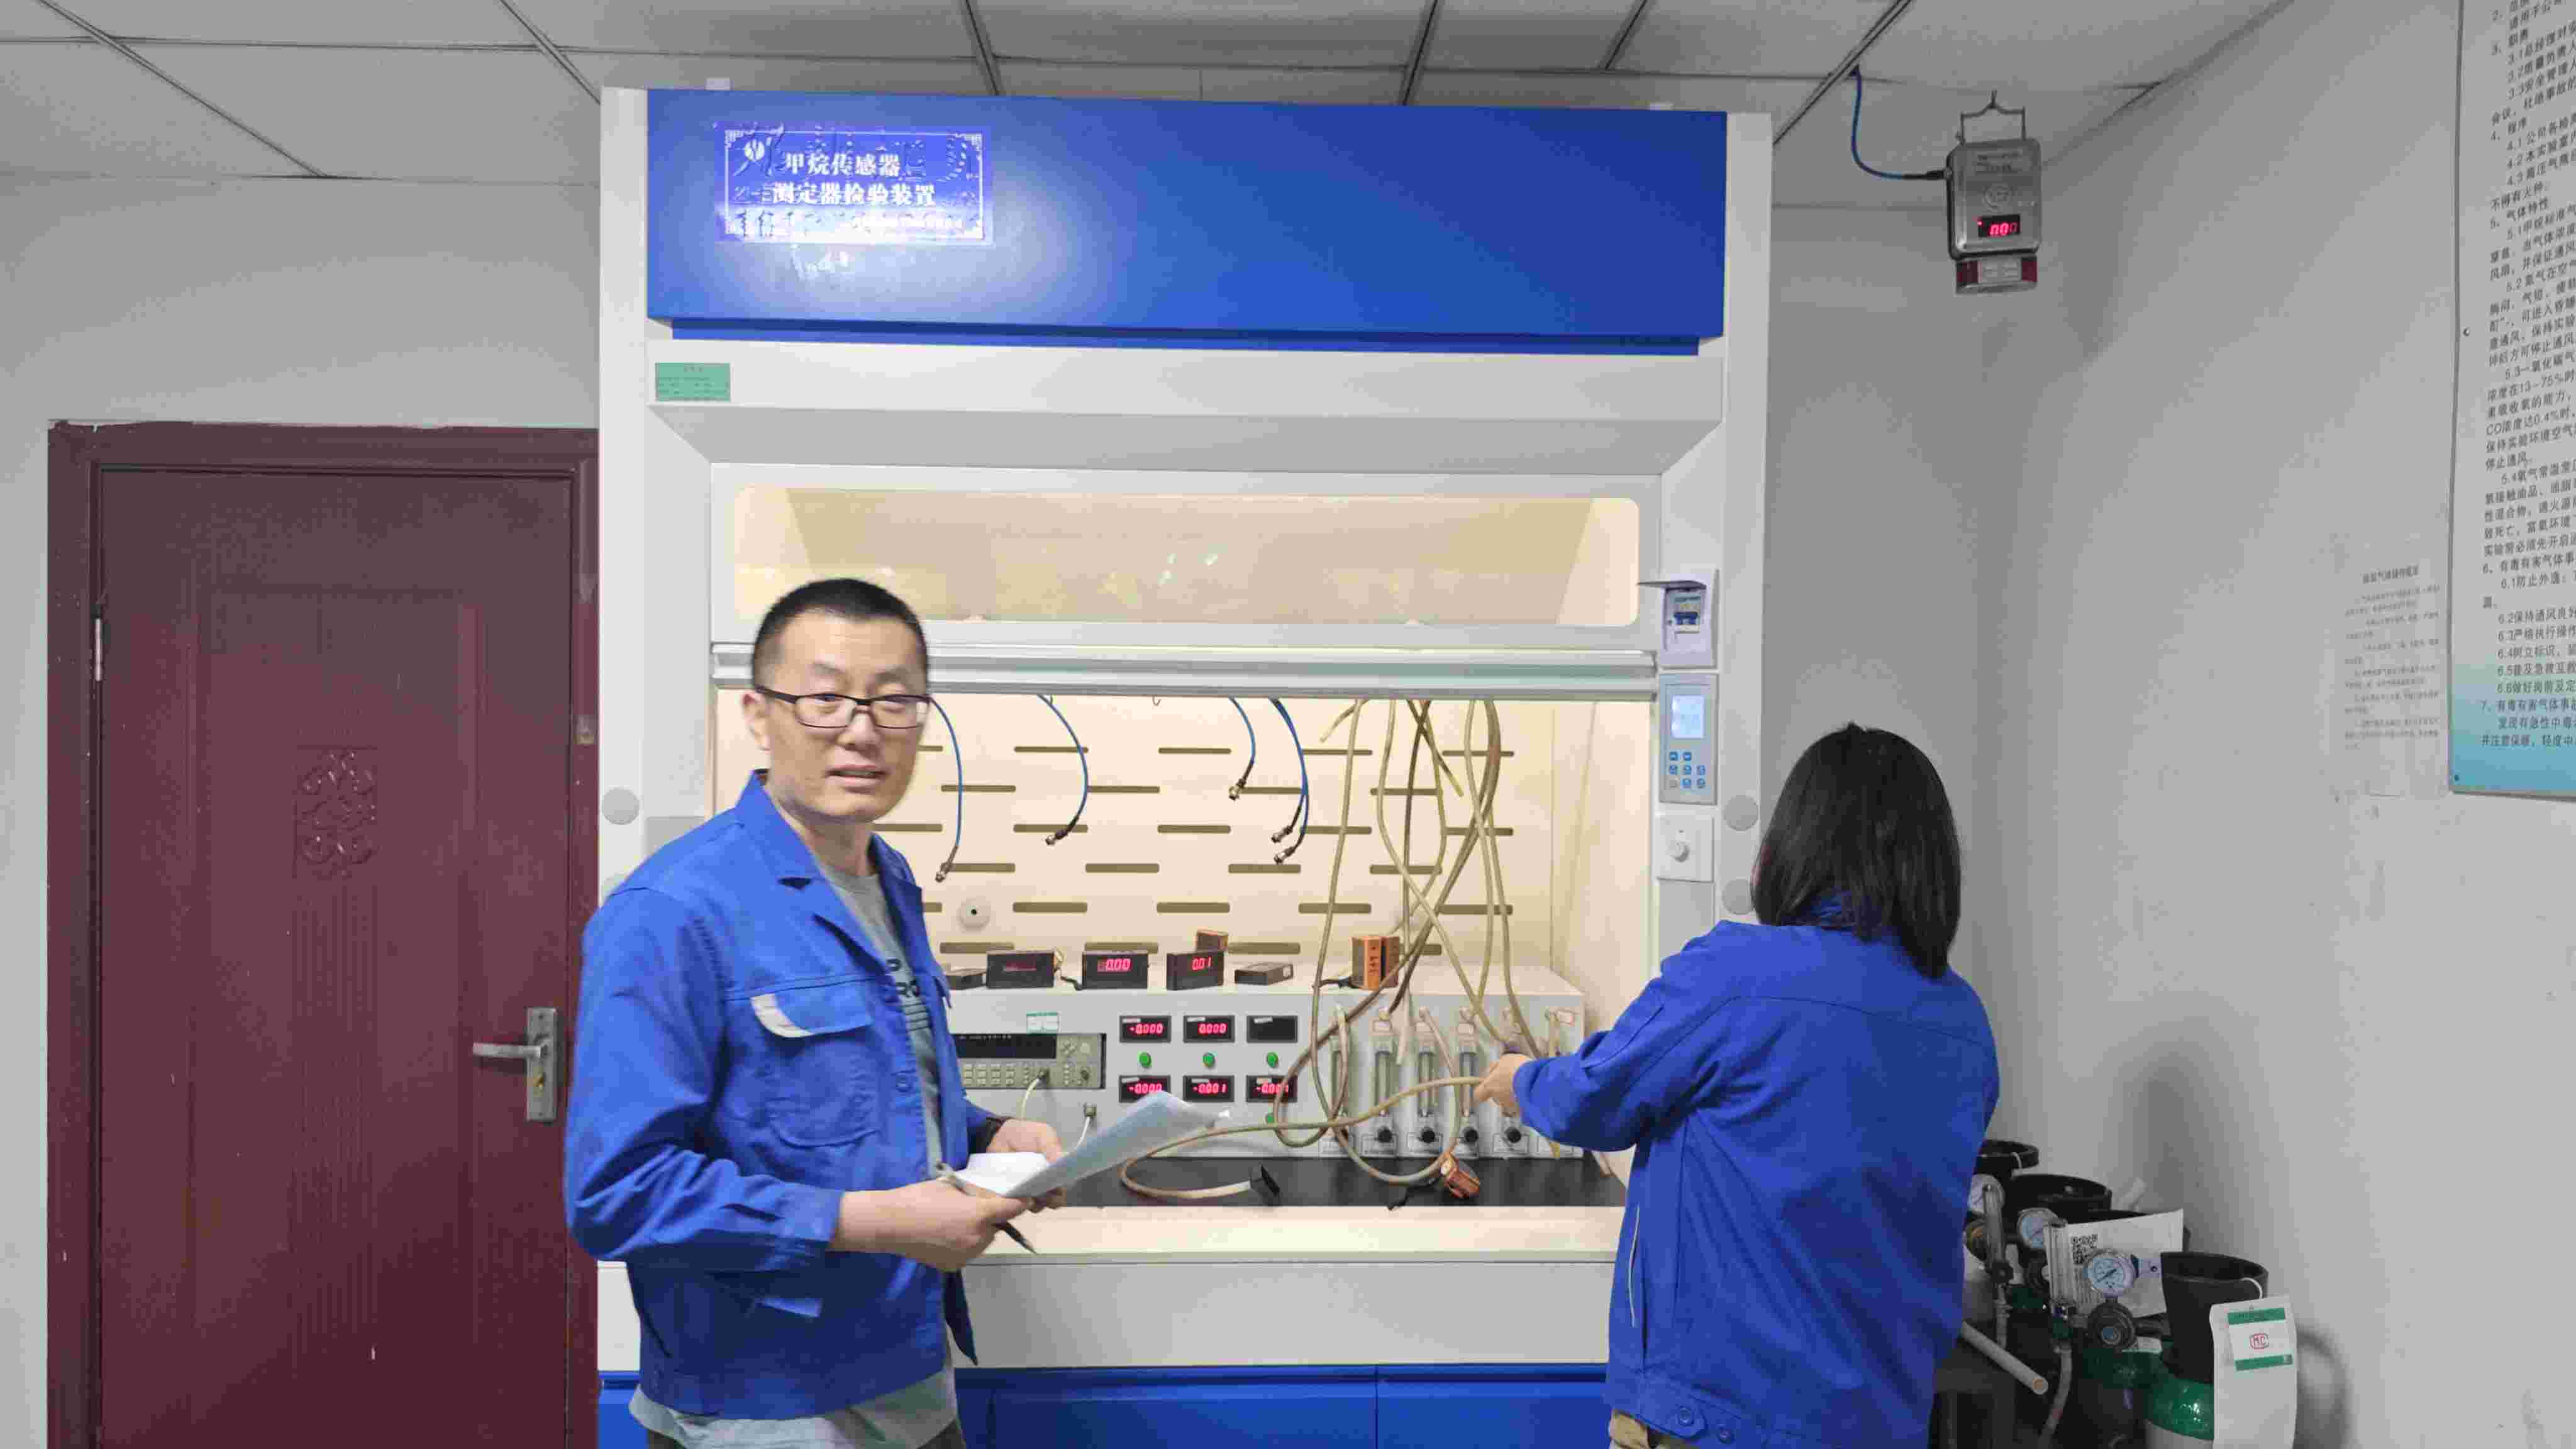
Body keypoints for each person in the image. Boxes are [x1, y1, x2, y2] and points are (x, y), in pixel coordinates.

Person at [566, 578, 1066, 1449]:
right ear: (760, 715)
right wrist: (878, 1223)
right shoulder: (674, 911)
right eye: (826, 699)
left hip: (911, 1374)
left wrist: (989, 1136)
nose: (862, 731)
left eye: (894, 701)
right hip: (762, 1407)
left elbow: (868, 1090)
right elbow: (617, 1193)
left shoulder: (888, 878)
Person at [1475, 724, 1999, 1449]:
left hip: (1718, 1422)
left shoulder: (1736, 974)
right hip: (1881, 1423)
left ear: (1791, 847)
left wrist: (1521, 1079)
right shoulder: (1961, 1021)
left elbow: (1593, 1100)